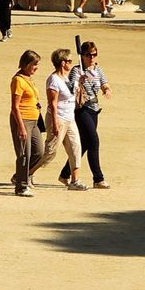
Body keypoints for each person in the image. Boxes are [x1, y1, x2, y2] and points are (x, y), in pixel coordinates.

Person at [65, 39, 112, 187]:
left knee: (85, 143)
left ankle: (65, 173)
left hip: (94, 108)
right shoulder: (76, 70)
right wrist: (79, 81)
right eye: (88, 55)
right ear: (82, 55)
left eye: (94, 54)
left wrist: (107, 89)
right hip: (82, 109)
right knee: (94, 141)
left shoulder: (98, 70)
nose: (92, 58)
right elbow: (69, 89)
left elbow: (104, 83)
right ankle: (98, 178)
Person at [8, 49, 50, 197]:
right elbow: (15, 106)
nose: (36, 67)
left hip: (34, 119)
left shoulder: (28, 78)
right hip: (23, 119)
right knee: (24, 154)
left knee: (39, 151)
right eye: (34, 64)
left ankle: (20, 176)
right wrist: (20, 126)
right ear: (26, 64)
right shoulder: (18, 80)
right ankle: (21, 186)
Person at [45, 48, 86, 189]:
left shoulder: (67, 79)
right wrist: (55, 123)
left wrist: (80, 82)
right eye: (69, 61)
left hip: (70, 118)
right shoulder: (53, 80)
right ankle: (26, 174)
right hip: (58, 118)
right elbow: (53, 103)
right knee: (50, 152)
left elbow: (72, 95)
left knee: (75, 148)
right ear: (63, 63)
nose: (71, 63)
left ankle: (75, 181)